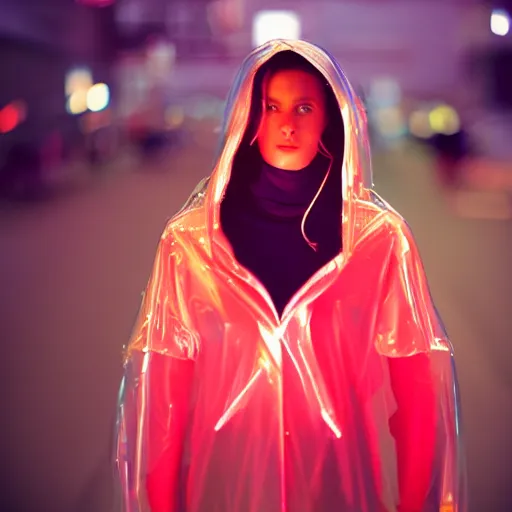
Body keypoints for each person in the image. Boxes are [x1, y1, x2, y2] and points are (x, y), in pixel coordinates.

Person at [115, 40, 466, 512]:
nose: (286, 123)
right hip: (223, 492)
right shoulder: (191, 245)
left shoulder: (379, 241)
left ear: (331, 118)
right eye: (270, 106)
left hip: (339, 491)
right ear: (249, 118)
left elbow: (420, 401)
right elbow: (160, 406)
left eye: (304, 107)